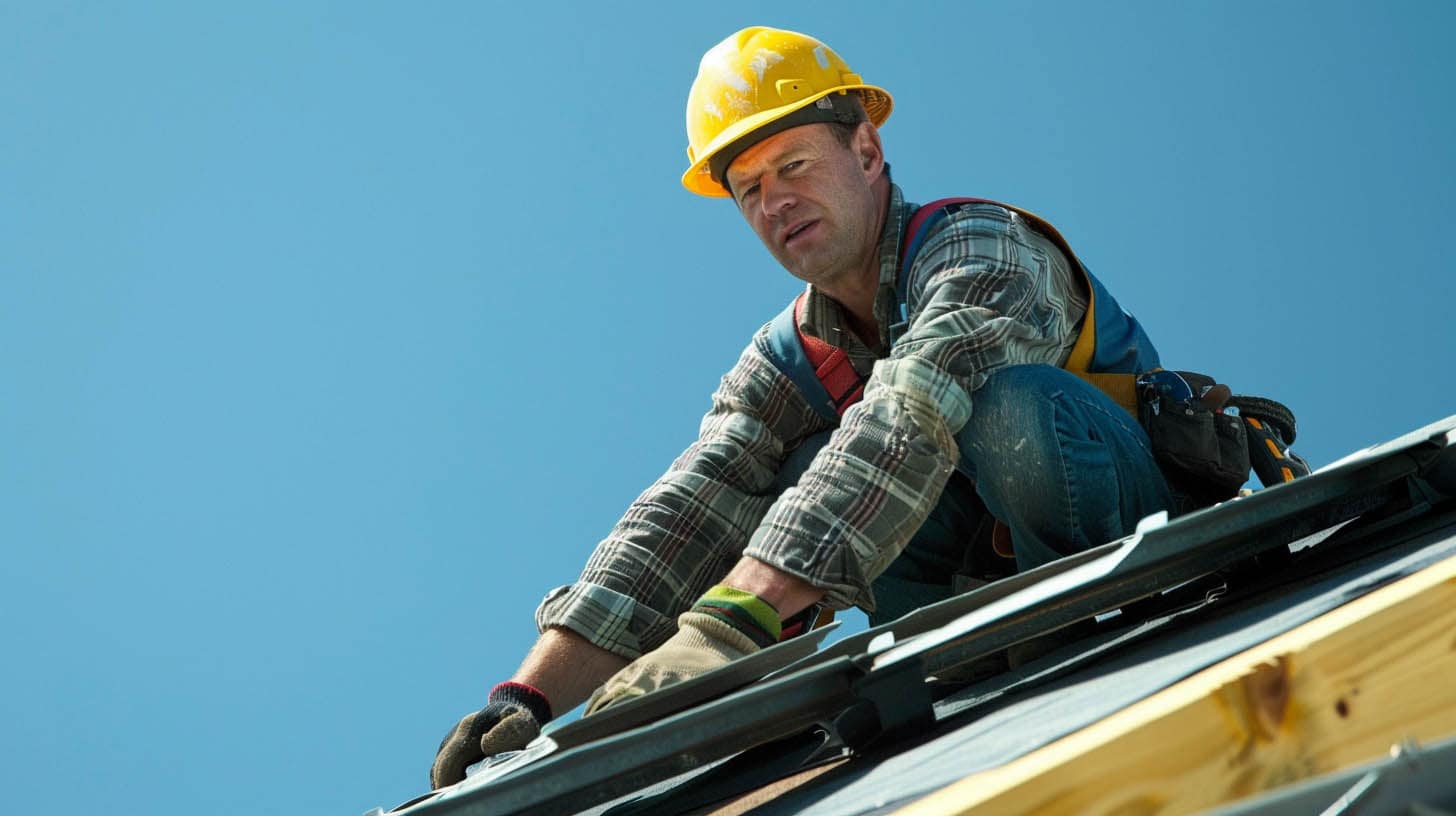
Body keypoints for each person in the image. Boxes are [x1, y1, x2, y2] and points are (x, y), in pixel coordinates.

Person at [430, 26, 1178, 789]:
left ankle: (1080, 619)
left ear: (866, 152)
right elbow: (689, 506)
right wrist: (531, 694)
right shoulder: (788, 356)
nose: (774, 201)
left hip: (1123, 534)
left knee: (1002, 408)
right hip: (971, 599)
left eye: (793, 165)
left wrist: (733, 622)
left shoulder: (981, 245)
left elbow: (914, 406)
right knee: (785, 468)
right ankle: (978, 649)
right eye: (748, 189)